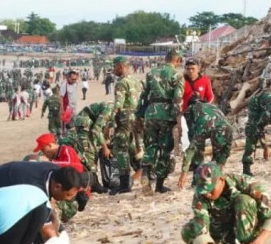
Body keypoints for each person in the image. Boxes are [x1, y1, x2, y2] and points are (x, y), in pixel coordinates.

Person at [139, 49, 184, 194]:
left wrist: (139, 114)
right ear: (177, 60)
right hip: (166, 114)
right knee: (165, 148)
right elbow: (177, 98)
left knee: (151, 144)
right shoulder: (176, 75)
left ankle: (145, 173)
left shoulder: (151, 73)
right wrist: (178, 119)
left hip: (151, 113)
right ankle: (159, 184)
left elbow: (143, 95)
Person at [178, 100, 234, 189]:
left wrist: (183, 174)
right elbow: (226, 151)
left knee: (198, 149)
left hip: (211, 127)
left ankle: (200, 180)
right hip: (224, 126)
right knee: (216, 154)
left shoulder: (191, 110)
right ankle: (204, 178)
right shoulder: (210, 106)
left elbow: (191, 149)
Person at [59, 102, 112, 193]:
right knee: (89, 153)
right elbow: (96, 130)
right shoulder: (108, 111)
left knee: (92, 150)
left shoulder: (114, 111)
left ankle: (90, 181)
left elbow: (105, 126)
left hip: (87, 122)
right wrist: (105, 148)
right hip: (84, 123)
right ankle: (93, 184)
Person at [109, 56, 143, 195]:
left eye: (115, 66)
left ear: (121, 66)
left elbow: (118, 104)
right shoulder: (136, 81)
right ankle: (143, 172)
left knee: (121, 149)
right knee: (133, 146)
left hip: (124, 118)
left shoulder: (121, 83)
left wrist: (111, 122)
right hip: (136, 117)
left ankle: (124, 184)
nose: (113, 69)